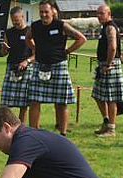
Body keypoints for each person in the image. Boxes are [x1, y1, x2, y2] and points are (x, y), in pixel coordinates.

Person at [26, 0, 86, 136]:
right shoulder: (35, 26)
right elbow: (28, 38)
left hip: (59, 65)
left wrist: (67, 51)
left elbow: (81, 38)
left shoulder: (61, 25)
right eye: (41, 12)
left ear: (53, 12)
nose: (43, 14)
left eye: (46, 12)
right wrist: (36, 49)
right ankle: (33, 133)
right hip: (40, 65)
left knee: (61, 102)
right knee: (34, 100)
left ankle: (62, 133)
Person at [92, 3, 123, 138]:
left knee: (111, 99)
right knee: (97, 95)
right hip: (104, 64)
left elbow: (113, 47)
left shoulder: (110, 27)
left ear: (109, 14)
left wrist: (107, 64)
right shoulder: (105, 27)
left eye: (102, 13)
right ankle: (106, 122)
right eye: (98, 13)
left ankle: (111, 129)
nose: (99, 16)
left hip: (110, 65)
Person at [0, 6, 33, 123]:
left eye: (17, 19)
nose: (15, 22)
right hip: (11, 67)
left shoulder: (30, 31)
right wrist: (4, 48)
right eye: (13, 20)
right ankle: (6, 125)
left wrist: (27, 61)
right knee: (5, 101)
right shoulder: (9, 32)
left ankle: (21, 126)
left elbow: (37, 53)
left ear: (22, 17)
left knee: (23, 103)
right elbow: (3, 53)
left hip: (26, 68)